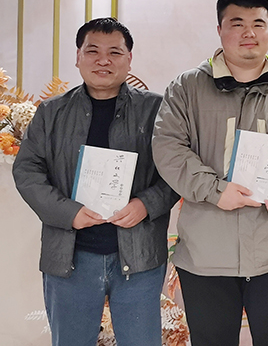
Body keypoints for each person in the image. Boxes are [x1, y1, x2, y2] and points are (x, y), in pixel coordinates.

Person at [151, 0, 268, 345]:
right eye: (237, 24)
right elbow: (168, 147)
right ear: (220, 29)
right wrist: (215, 190)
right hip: (205, 252)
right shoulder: (187, 87)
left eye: (258, 24)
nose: (249, 33)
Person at [14, 17, 178, 345]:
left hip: (139, 255)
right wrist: (68, 212)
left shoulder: (156, 110)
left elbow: (176, 170)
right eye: (93, 51)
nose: (103, 60)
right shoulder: (51, 112)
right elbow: (27, 171)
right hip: (70, 257)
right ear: (78, 57)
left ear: (129, 59)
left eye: (114, 52)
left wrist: (146, 205)